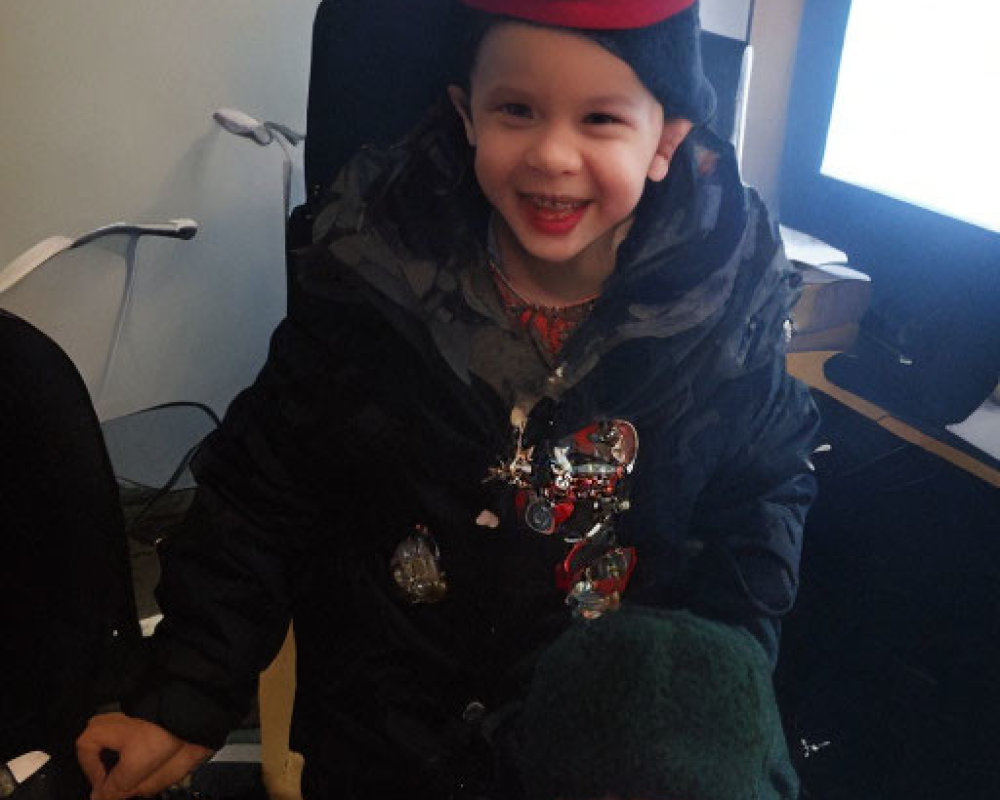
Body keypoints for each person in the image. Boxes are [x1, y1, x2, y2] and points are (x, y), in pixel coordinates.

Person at [76, 1, 819, 798]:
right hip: (384, 736)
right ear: (467, 114)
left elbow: (759, 504)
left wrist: (706, 697)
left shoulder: (721, 322)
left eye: (601, 119)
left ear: (666, 139)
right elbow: (266, 489)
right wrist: (188, 687)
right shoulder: (371, 279)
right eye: (517, 110)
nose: (553, 154)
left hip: (589, 751)